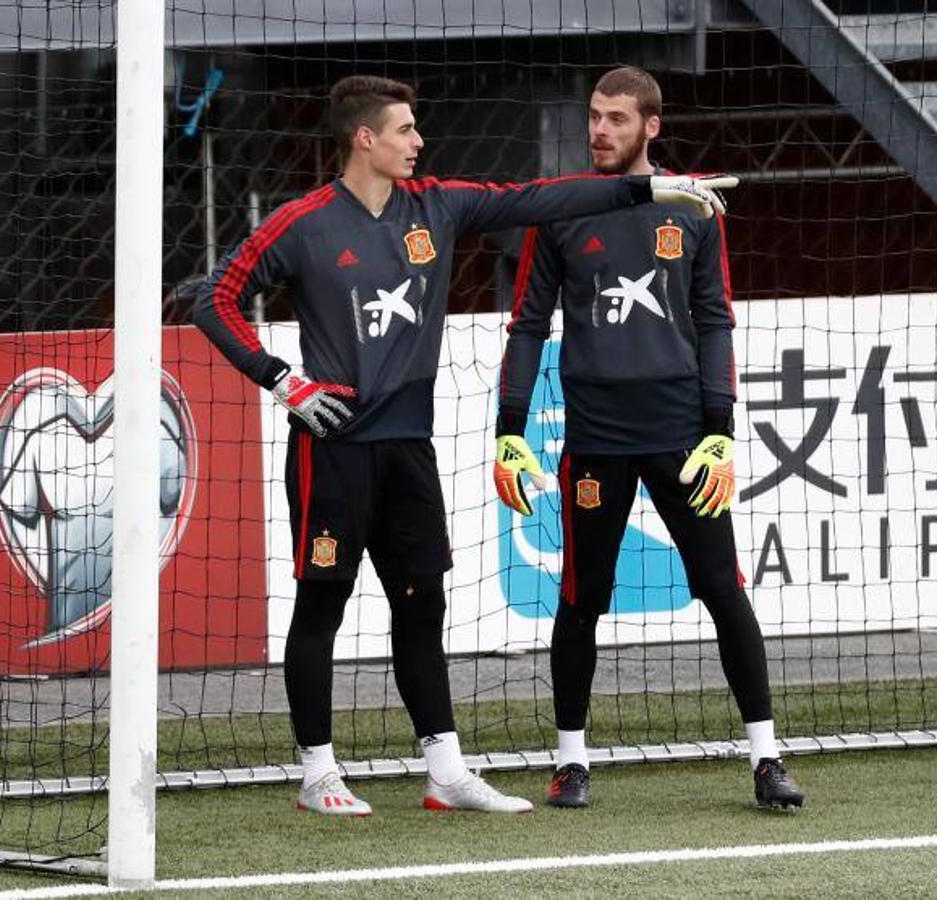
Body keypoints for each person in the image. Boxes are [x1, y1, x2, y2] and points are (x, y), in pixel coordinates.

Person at [193, 74, 735, 816]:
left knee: (423, 605)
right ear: (364, 139)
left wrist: (653, 192)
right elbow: (213, 299)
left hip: (410, 449)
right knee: (322, 604)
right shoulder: (304, 222)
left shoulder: (438, 206)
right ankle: (318, 774)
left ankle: (444, 772)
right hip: (334, 450)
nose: (418, 143)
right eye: (404, 131)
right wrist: (283, 381)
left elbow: (538, 201)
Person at [493, 67, 804, 811]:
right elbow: (528, 323)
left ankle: (766, 759)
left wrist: (720, 430)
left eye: (615, 119)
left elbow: (714, 319)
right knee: (579, 597)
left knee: (723, 591)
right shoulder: (559, 209)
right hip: (595, 438)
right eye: (593, 116)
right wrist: (508, 427)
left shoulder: (694, 210)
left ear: (650, 127)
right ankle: (571, 762)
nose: (599, 130)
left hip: (681, 438)